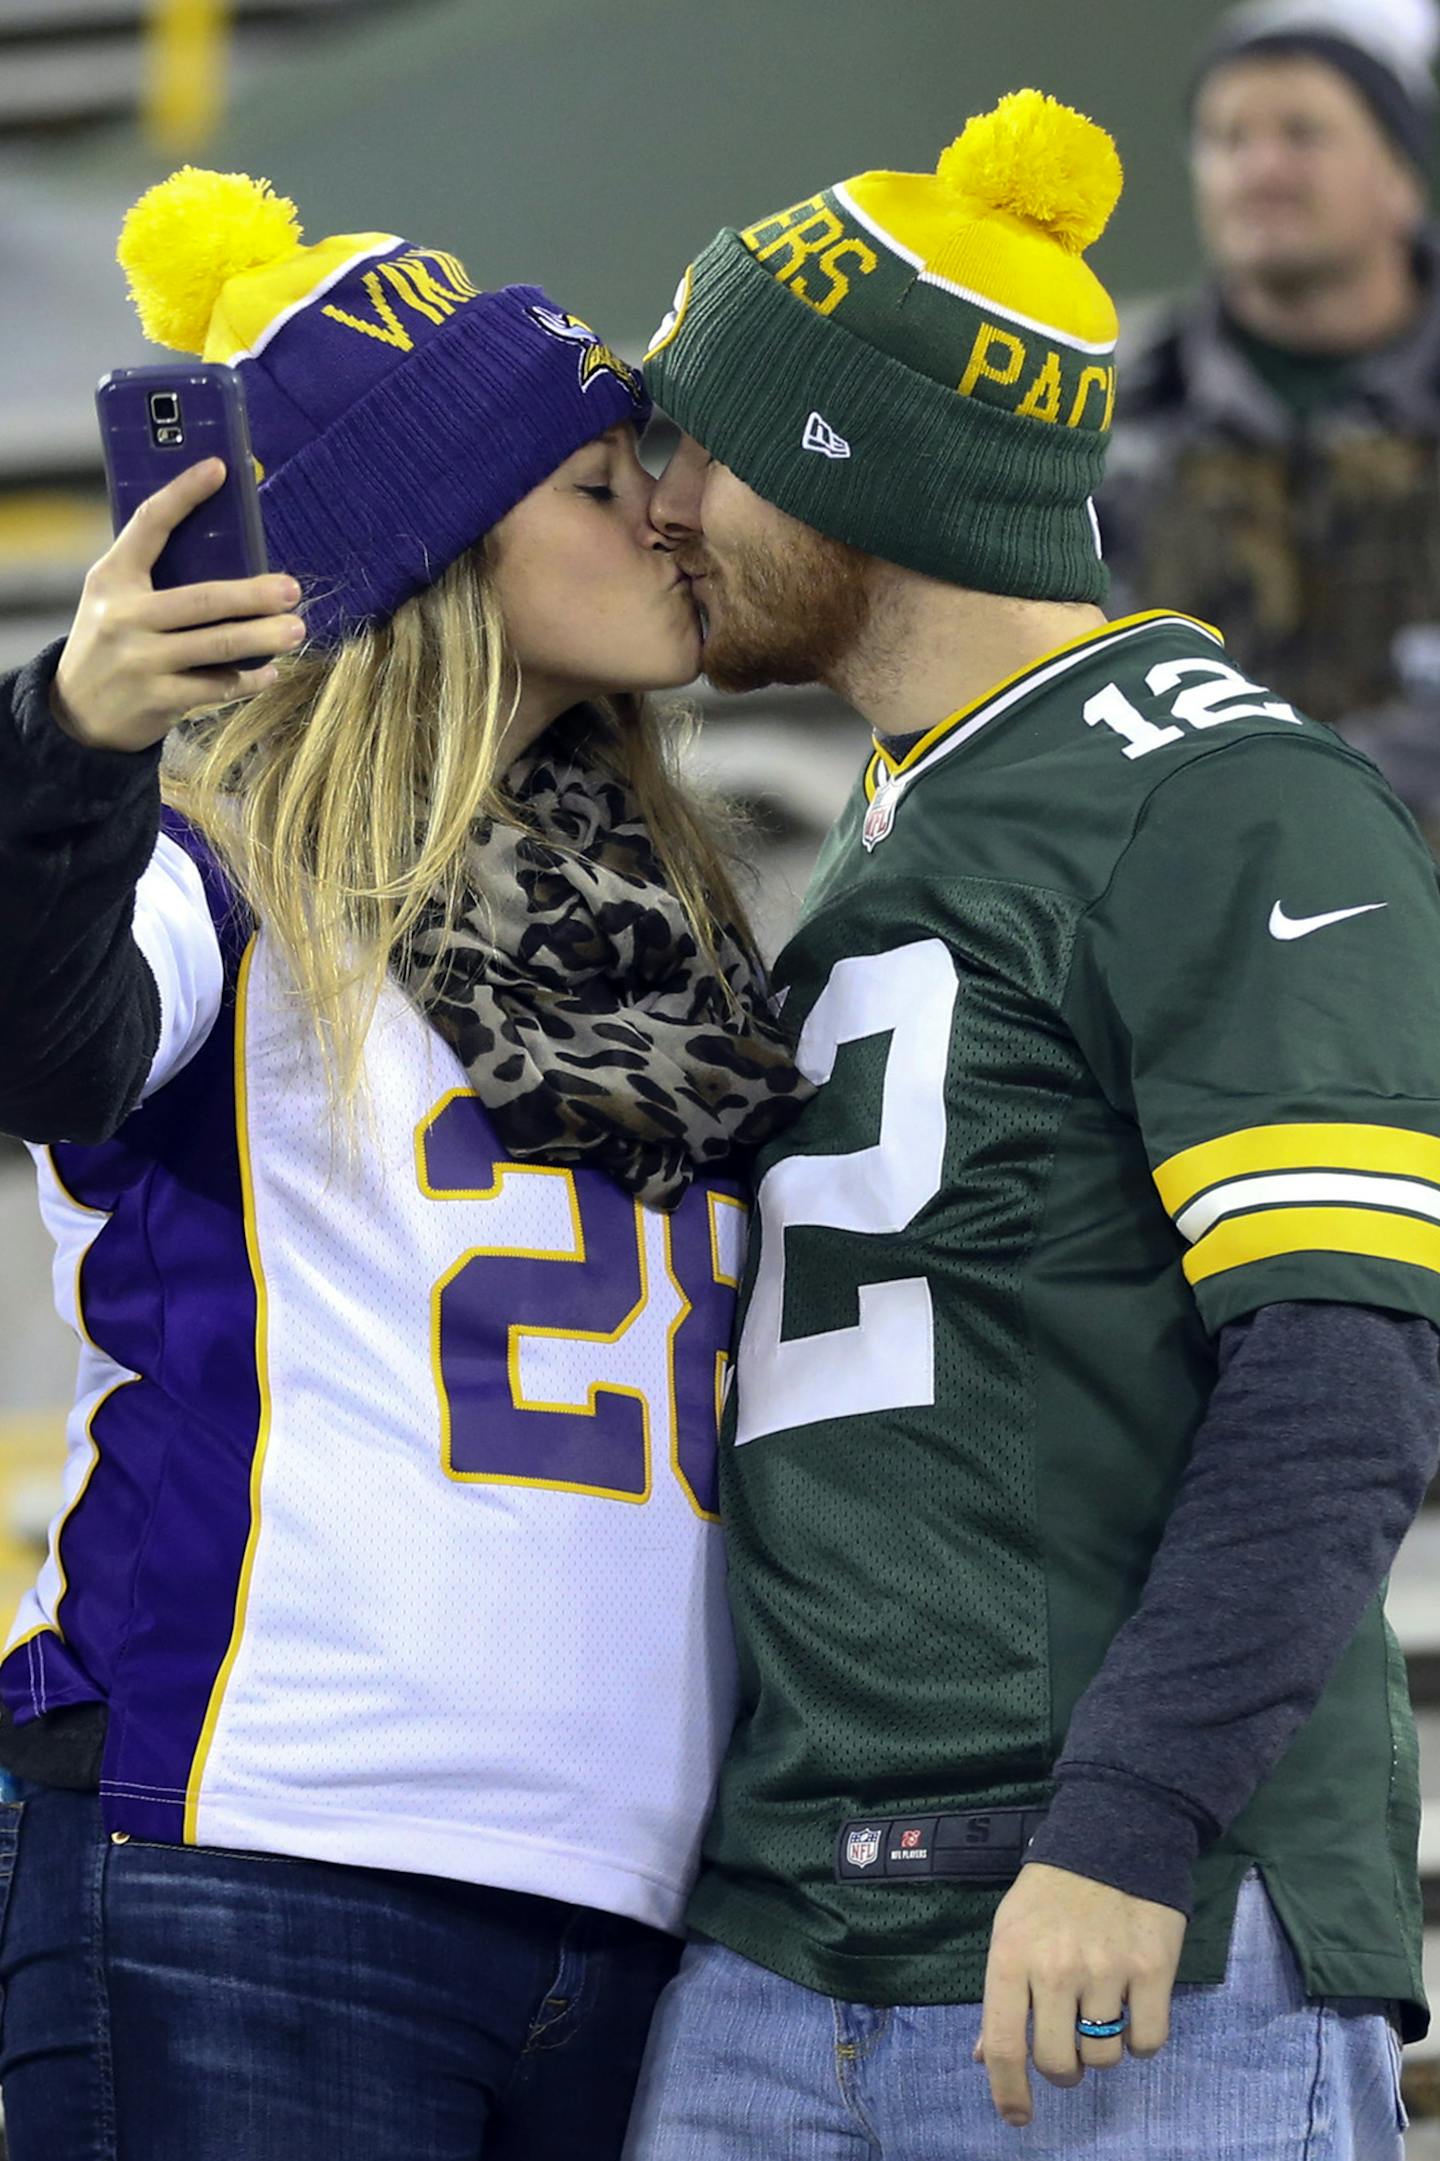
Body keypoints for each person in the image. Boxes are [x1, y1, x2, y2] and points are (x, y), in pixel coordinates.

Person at [621, 89, 1440, 2159]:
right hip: (785, 1948)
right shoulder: (929, 804)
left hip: (1113, 1946)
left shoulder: (1228, 795)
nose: (658, 498)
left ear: (852, 473)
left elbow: (1341, 1369)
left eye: (702, 445)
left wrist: (1131, 1825)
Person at [0, 166, 805, 2161]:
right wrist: (67, 747)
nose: (657, 503)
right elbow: (47, 1036)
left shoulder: (678, 925)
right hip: (257, 1855)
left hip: (625, 1907)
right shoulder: (212, 872)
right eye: (586, 472)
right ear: (433, 537)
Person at [1100, 0, 1440, 847]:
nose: (1260, 169)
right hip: (1194, 888)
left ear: (1401, 177)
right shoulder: (1108, 412)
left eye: (1302, 133)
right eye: (1227, 140)